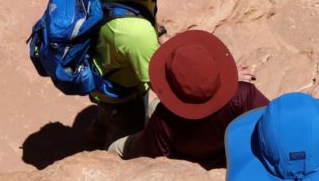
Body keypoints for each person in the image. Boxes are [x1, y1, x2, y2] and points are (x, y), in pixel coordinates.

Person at [87, 0, 189, 148]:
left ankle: (98, 129)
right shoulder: (135, 33)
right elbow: (159, 83)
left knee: (105, 114)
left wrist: (160, 33)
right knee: (125, 140)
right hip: (123, 95)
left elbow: (139, 11)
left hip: (104, 69)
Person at [109, 30, 269, 167]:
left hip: (188, 161)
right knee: (153, 107)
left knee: (114, 148)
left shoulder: (163, 120)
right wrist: (230, 80)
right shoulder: (243, 94)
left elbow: (152, 161)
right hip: (225, 154)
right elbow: (270, 123)